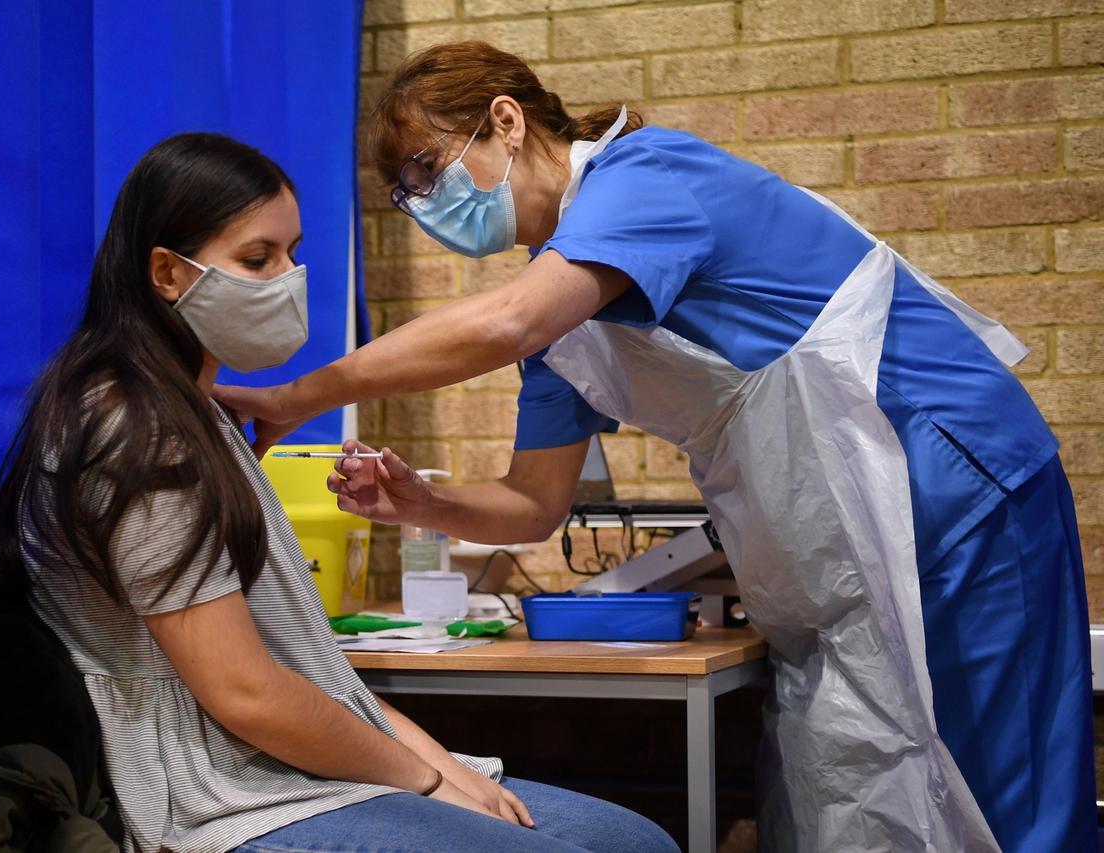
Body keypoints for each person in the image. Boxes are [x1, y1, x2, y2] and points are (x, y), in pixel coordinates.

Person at [213, 42, 1096, 853]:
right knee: (857, 791)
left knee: (999, 787)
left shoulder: (642, 176)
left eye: (428, 169)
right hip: (832, 537)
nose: (426, 205)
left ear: (507, 121)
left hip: (944, 478)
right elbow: (535, 503)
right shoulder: (569, 307)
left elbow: (510, 323)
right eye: (407, 195)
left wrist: (299, 394)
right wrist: (422, 502)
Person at [0, 132, 678, 853]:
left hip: (305, 769)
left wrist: (440, 766)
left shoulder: (203, 414)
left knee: (635, 840)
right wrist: (427, 782)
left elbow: (313, 670)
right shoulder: (132, 429)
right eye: (258, 259)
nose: (287, 277)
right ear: (166, 272)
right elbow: (246, 692)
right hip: (225, 798)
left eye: (292, 252)